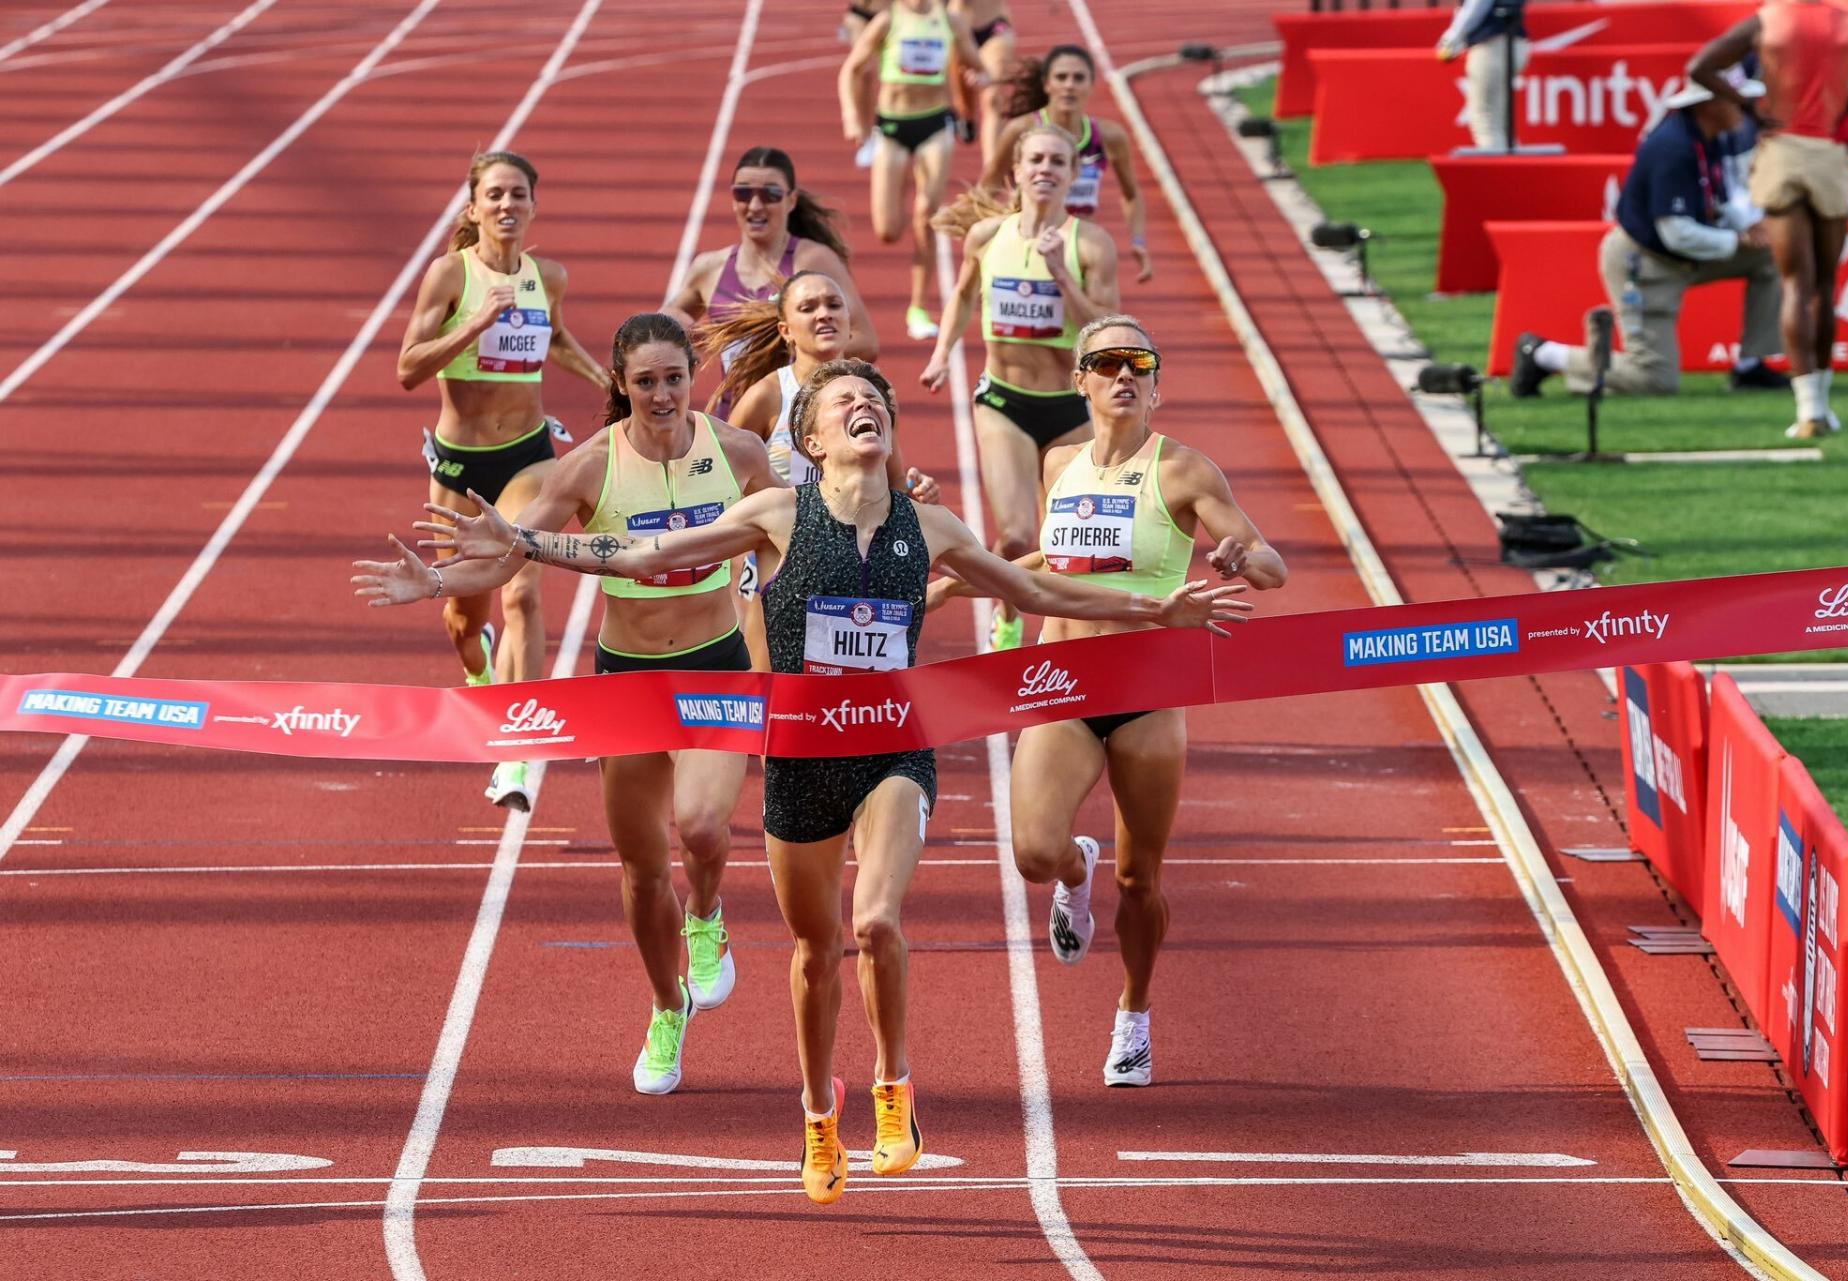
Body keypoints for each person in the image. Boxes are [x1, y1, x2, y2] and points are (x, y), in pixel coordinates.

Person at [404, 358, 1251, 1205]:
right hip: (801, 755)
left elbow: (1032, 585)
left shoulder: (933, 526)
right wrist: (526, 543)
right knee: (816, 955)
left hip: (893, 749)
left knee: (875, 921)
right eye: (844, 402)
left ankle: (894, 1091)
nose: (864, 408)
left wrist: (1154, 610)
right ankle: (818, 1112)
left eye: (874, 400)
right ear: (810, 440)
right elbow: (647, 548)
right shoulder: (777, 511)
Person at [358, 314, 781, 1097]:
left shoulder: (740, 453)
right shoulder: (589, 468)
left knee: (699, 824)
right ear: (620, 384)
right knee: (642, 867)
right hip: (625, 681)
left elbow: (795, 533)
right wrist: (439, 582)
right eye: (645, 381)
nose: (661, 394)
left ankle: (710, 914)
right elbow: (511, 554)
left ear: (694, 377)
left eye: (674, 378)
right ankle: (666, 1001)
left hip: (717, 670)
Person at [931, 316, 1287, 1087]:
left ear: (1158, 384)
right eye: (1106, 362)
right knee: (1031, 851)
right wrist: (965, 578)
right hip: (1063, 680)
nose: (1124, 375)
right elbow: (1051, 558)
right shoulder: (1060, 463)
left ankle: (1134, 1011)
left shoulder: (1186, 472)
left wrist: (1238, 553)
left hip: (1149, 691)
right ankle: (1071, 871)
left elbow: (1271, 566)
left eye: (1139, 363)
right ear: (1080, 379)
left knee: (1142, 879)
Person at [395, 150, 609, 813]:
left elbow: (557, 340)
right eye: (494, 195)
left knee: (523, 586)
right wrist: (477, 325)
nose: (507, 205)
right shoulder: (449, 275)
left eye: (518, 194)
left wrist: (614, 388)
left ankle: (515, 748)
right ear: (473, 208)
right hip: (461, 467)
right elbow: (407, 367)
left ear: (534, 206)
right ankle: (479, 668)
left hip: (529, 456)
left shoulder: (550, 275)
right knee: (464, 615)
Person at [922, 121, 1121, 651]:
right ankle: (1008, 617)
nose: (1045, 171)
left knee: (1064, 539)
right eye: (1036, 160)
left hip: (1071, 409)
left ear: (1074, 175)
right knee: (1013, 536)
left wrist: (1061, 275)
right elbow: (963, 296)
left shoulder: (1091, 245)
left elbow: (1105, 329)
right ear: (1016, 171)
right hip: (1004, 402)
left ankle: (1063, 631)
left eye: (1058, 162)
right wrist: (943, 353)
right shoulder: (987, 237)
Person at [1690, 1, 1848, 438]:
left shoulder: (1769, 20)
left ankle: (1808, 409)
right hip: (1829, 153)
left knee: (1795, 283)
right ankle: (1823, 403)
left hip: (1782, 151)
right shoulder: (1845, 24)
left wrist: (1749, 105)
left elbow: (1701, 66)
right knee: (1824, 285)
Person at [697, 270, 941, 667]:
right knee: (769, 671)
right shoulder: (767, 397)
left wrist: (918, 493)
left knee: (854, 665)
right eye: (808, 308)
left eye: (833, 305)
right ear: (786, 330)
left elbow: (896, 483)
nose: (823, 315)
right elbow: (717, 479)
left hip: (855, 548)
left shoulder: (873, 396)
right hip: (777, 554)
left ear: (850, 323)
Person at [1510, 74, 1789, 399]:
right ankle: (1543, 354)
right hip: (1646, 265)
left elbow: (1720, 195)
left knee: (1774, 253)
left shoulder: (1711, 135)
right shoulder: (1672, 148)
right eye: (1739, 101)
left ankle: (1750, 367)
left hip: (1687, 254)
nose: (1747, 109)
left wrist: (1748, 225)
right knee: (1655, 380)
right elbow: (1676, 233)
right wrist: (1738, 240)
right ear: (1710, 105)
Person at [662, 145, 878, 412]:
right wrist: (677, 328)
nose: (755, 205)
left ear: (791, 200)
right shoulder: (709, 268)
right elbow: (667, 319)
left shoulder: (812, 261)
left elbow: (866, 342)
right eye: (743, 193)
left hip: (798, 421)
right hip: (734, 420)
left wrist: (799, 358)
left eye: (770, 194)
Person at [839, 0, 988, 341]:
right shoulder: (887, 20)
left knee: (927, 216)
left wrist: (979, 75)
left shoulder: (950, 21)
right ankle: (902, 177)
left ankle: (918, 307)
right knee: (888, 229)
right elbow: (851, 69)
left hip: (934, 125)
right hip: (892, 128)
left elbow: (978, 66)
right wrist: (852, 117)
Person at [980, 43, 1152, 282]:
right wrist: (981, 238)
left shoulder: (1109, 136)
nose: (1069, 85)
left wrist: (1138, 240)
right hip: (1029, 244)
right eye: (1061, 77)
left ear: (1091, 85)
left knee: (1094, 315)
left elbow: (1131, 195)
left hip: (1079, 249)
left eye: (1078, 78)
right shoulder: (1021, 130)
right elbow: (988, 187)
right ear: (1047, 84)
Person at [1435, 0, 1527, 151]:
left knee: (1486, 119)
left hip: (1492, 45)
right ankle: (1518, 171)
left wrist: (1452, 38)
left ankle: (1499, 172)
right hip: (1515, 41)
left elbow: (1476, 6)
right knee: (1502, 124)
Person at [948, 0, 1016, 154]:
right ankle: (967, 116)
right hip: (957, 28)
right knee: (964, 103)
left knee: (993, 99)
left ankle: (991, 173)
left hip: (994, 26)